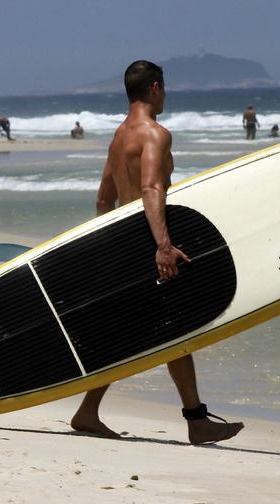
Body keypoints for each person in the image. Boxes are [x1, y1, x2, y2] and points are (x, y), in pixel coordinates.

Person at [70, 60, 244, 445]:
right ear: (155, 88)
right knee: (170, 328)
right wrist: (162, 246)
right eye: (165, 89)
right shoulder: (155, 134)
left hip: (126, 242)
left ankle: (90, 412)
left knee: (153, 329)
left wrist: (113, 245)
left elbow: (104, 199)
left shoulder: (119, 137)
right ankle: (195, 420)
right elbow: (152, 189)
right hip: (150, 242)